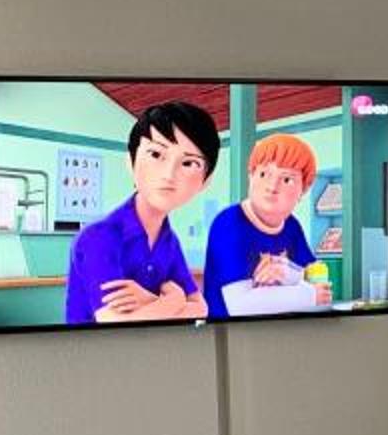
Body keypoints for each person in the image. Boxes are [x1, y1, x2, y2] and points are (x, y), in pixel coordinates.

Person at [60, 100, 220, 324]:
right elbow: (114, 322)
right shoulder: (97, 237)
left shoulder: (169, 240)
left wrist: (149, 300)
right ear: (131, 161)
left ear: (206, 181)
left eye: (188, 163)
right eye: (155, 154)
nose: (168, 174)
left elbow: (201, 308)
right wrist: (173, 300)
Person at [201, 133, 330, 318]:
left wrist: (285, 272)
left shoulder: (291, 225)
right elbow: (241, 306)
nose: (272, 187)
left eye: (287, 179)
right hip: (229, 332)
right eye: (263, 174)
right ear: (250, 177)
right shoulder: (229, 224)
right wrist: (307, 294)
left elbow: (319, 283)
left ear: (304, 190)